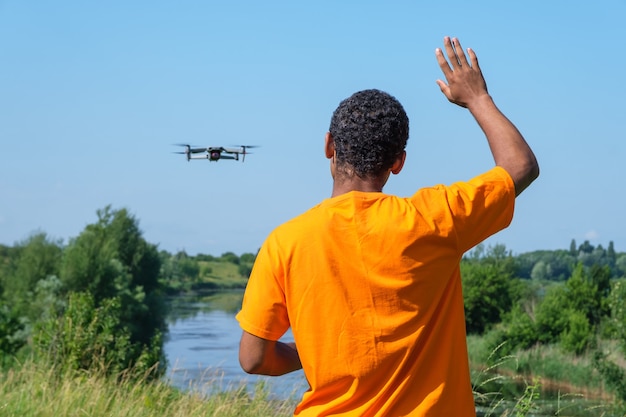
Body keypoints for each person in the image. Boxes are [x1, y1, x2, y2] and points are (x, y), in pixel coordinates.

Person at [236, 36, 539, 416]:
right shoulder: (436, 219)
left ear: (329, 146)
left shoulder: (286, 242)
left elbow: (253, 358)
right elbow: (520, 167)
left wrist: (315, 350)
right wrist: (477, 99)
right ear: (398, 162)